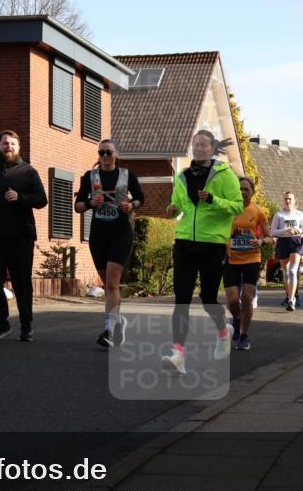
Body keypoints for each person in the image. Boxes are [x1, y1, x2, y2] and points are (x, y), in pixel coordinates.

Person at [161, 130, 243, 374]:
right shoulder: (182, 176)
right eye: (195, 144)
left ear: (212, 148)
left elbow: (237, 206)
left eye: (203, 144)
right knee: (182, 300)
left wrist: (212, 200)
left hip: (212, 244)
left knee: (208, 298)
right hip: (184, 242)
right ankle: (178, 354)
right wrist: (172, 208)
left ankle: (223, 331)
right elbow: (178, 205)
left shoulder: (225, 174)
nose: (198, 148)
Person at [0, 130, 48, 342]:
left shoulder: (28, 171)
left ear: (18, 148)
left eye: (13, 144)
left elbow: (42, 200)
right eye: (5, 143)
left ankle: (26, 326)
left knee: (21, 282)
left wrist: (21, 197)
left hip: (21, 236)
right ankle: (1, 323)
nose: (9, 146)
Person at [74, 139, 144, 348]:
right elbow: (78, 206)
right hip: (98, 235)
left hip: (121, 233)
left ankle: (109, 331)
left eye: (108, 152)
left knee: (113, 284)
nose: (105, 156)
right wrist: (90, 203)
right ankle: (118, 321)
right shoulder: (90, 176)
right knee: (107, 285)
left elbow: (140, 198)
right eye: (101, 152)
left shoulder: (127, 175)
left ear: (116, 154)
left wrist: (131, 205)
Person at [224, 177, 271, 351]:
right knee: (232, 301)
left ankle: (243, 335)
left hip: (252, 258)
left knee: (247, 297)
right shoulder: (228, 208)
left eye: (246, 189)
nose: (243, 192)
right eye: (240, 189)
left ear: (252, 192)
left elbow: (270, 237)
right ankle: (236, 319)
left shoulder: (258, 211)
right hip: (231, 259)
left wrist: (261, 241)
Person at [271, 191, 303, 308]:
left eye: (290, 199)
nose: (288, 201)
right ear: (283, 201)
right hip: (283, 242)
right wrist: (286, 230)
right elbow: (273, 231)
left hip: (295, 242)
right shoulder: (279, 215)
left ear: (294, 201)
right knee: (286, 273)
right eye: (286, 199)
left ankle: (292, 299)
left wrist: (298, 230)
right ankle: (289, 296)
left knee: (293, 271)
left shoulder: (299, 214)